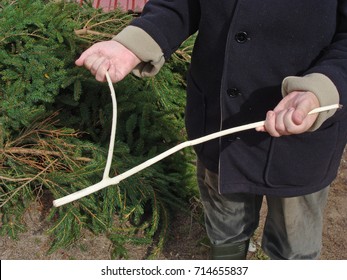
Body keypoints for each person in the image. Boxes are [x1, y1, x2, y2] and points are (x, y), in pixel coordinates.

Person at [75, 0, 347, 260]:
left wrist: (320, 90)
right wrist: (136, 43)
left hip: (303, 135)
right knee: (226, 228)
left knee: (294, 246)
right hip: (219, 122)